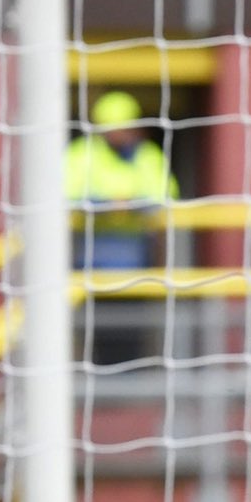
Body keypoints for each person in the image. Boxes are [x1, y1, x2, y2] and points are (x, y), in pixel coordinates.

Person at [63, 90, 177, 365]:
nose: (120, 135)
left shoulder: (148, 156)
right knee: (92, 335)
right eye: (114, 129)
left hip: (135, 262)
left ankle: (128, 380)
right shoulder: (81, 155)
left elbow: (166, 195)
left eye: (126, 128)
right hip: (89, 261)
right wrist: (104, 204)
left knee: (129, 335)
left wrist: (133, 204)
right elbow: (66, 195)